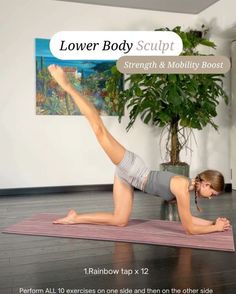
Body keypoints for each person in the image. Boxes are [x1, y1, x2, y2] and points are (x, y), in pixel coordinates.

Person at [48, 64, 231, 235]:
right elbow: (189, 228)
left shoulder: (187, 187)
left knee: (120, 220)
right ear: (206, 184)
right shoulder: (183, 187)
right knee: (99, 130)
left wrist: (213, 223)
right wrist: (214, 229)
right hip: (133, 168)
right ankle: (66, 84)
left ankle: (75, 218)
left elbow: (189, 219)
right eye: (213, 193)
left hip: (129, 176)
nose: (210, 198)